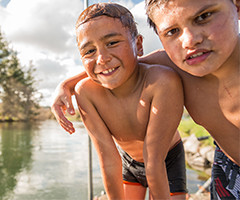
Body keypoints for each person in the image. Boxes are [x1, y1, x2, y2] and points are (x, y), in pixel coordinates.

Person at [51, 0, 240, 199]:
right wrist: (65, 85)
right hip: (228, 167)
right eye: (172, 31)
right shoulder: (176, 61)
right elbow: (124, 66)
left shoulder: (168, 73)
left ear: (236, 6)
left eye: (204, 17)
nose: (190, 40)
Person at [62, 3, 187, 200]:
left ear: (138, 45)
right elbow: (109, 160)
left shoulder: (161, 81)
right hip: (128, 161)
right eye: (89, 51)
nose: (102, 59)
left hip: (167, 158)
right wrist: (66, 84)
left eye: (112, 43)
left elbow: (154, 160)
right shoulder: (85, 93)